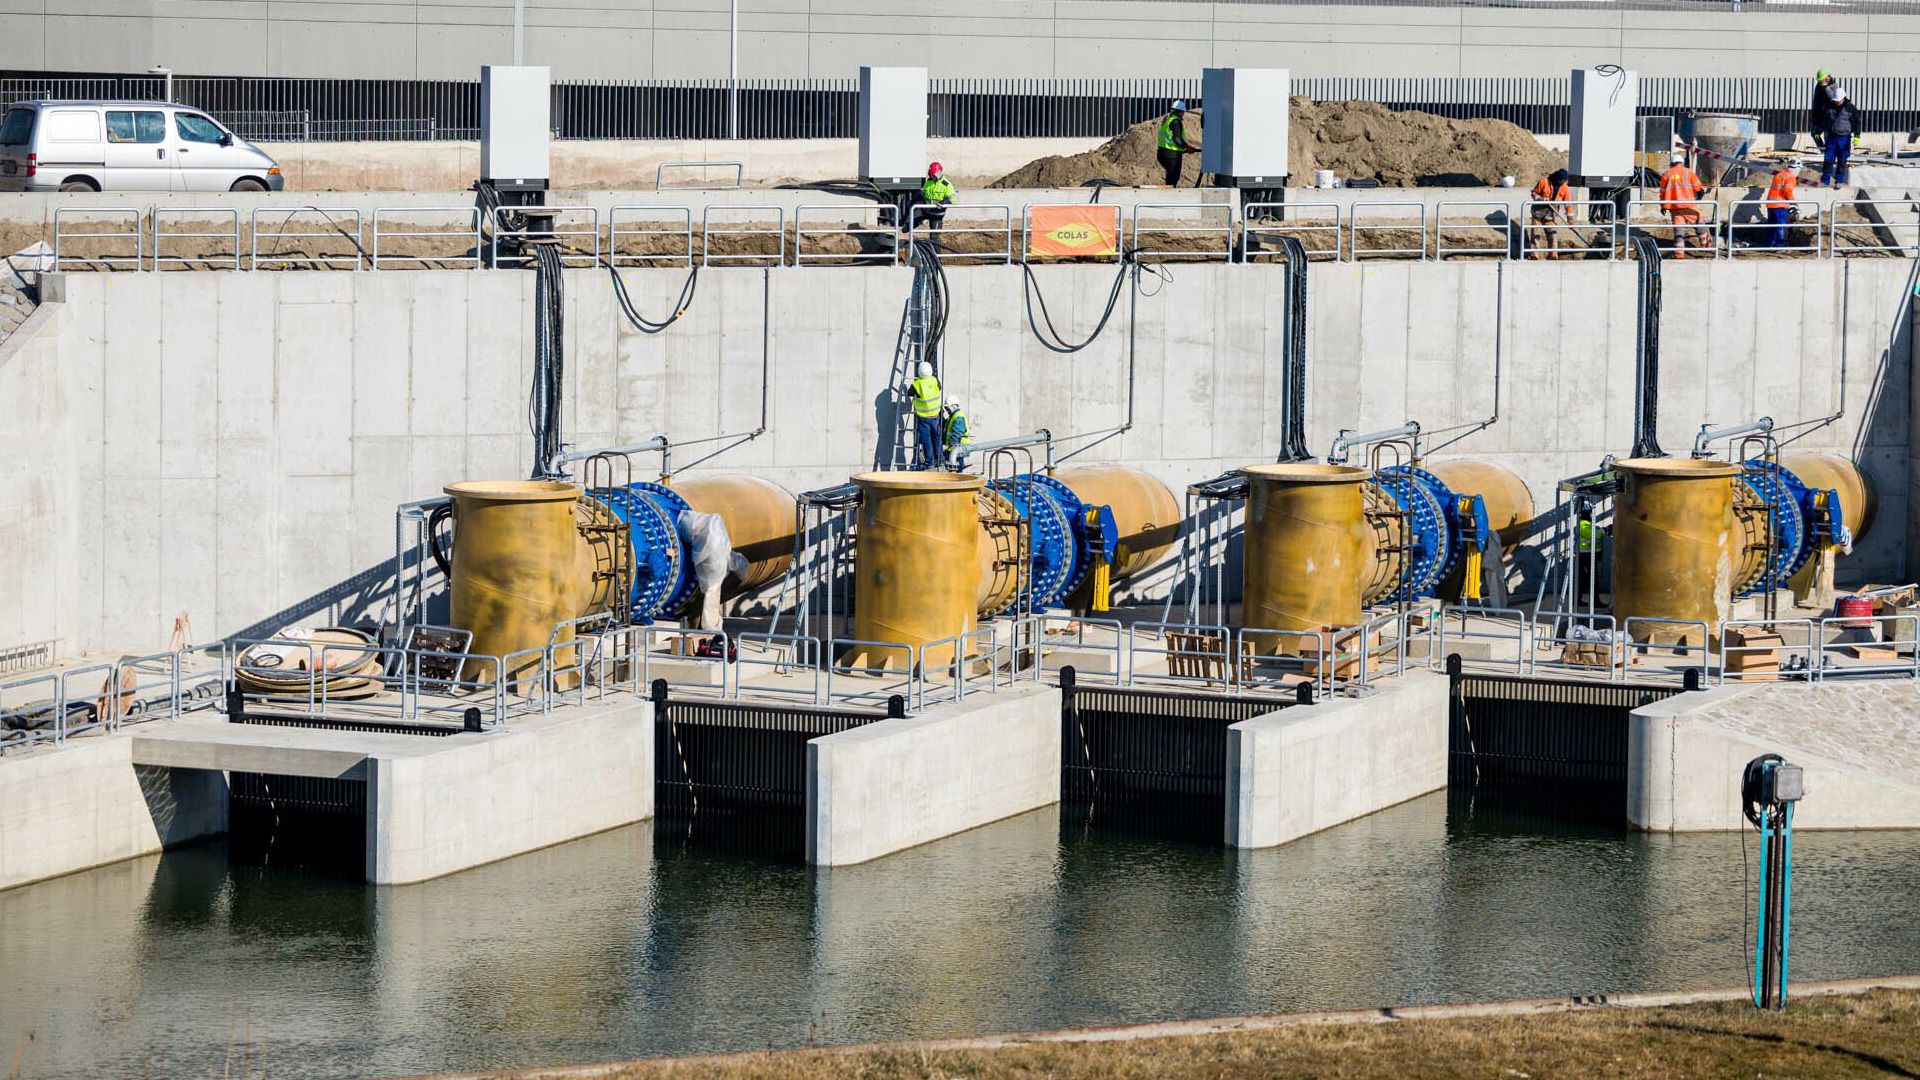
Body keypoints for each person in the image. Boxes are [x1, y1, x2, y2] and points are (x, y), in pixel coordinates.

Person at [1657, 153, 1709, 258]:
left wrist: (1663, 206)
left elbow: (1662, 192)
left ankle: (1679, 254)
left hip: (1674, 207)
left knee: (1679, 231)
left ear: (1672, 163)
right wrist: (1700, 192)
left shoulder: (1666, 174)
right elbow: (1698, 187)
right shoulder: (1688, 172)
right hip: (1689, 206)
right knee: (1699, 224)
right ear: (1682, 162)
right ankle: (1705, 245)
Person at [1528, 168, 1573, 259]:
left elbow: (1568, 204)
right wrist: (1541, 199)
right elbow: (1534, 194)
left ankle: (1553, 255)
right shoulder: (1544, 182)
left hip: (1551, 214)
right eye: (1560, 180)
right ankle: (1534, 255)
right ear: (1556, 177)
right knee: (1535, 233)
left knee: (1552, 234)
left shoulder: (1564, 188)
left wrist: (1570, 220)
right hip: (1538, 212)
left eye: (1564, 181)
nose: (1562, 182)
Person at [1821, 86, 1859, 187]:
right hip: (1831, 137)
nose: (1837, 102)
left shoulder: (1850, 108)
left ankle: (1839, 180)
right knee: (1828, 159)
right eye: (1835, 101)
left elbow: (1857, 122)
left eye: (1838, 101)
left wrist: (1857, 136)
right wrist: (1819, 131)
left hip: (1844, 137)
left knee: (1842, 160)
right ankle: (1825, 180)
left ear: (1843, 98)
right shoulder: (1829, 107)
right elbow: (1824, 120)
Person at [908, 361, 943, 470]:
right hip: (936, 416)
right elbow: (940, 388)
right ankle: (940, 460)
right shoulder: (935, 381)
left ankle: (930, 462)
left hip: (923, 418)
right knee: (937, 438)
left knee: (926, 441)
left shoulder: (917, 384)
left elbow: (909, 393)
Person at [1156, 100, 1195, 187]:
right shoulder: (1176, 122)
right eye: (1183, 112)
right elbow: (1177, 139)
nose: (1184, 114)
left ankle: (1167, 196)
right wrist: (1187, 146)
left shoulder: (1168, 120)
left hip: (1162, 153)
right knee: (1173, 178)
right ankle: (1168, 197)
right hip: (1172, 155)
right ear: (1180, 112)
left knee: (1170, 177)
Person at [1765, 164, 1799, 248]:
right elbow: (1787, 191)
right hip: (1780, 205)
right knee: (1781, 227)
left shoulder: (1779, 174)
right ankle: (1780, 246)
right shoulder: (1790, 177)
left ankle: (1770, 245)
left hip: (1771, 204)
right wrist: (1794, 202)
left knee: (1771, 226)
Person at [918, 161, 955, 237]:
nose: (931, 177)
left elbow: (952, 200)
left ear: (938, 174)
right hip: (926, 210)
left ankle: (934, 248)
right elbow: (923, 193)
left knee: (934, 236)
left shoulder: (946, 184)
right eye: (930, 175)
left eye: (933, 175)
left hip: (937, 213)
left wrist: (944, 202)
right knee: (913, 216)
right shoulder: (929, 182)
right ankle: (907, 227)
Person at [1809, 69, 1838, 149]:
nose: (1820, 82)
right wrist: (1813, 115)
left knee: (1827, 136)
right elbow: (1816, 101)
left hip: (1828, 116)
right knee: (1814, 134)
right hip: (1818, 116)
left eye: (1821, 80)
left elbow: (1832, 97)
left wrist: (1825, 87)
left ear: (1827, 78)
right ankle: (1822, 150)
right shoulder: (1818, 86)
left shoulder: (1834, 85)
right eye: (1819, 80)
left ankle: (1829, 153)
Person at [941, 400, 971, 471]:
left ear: (953, 406)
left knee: (956, 471)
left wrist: (948, 445)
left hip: (957, 449)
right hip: (953, 449)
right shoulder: (953, 416)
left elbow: (957, 434)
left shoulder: (958, 417)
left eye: (947, 408)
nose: (947, 411)